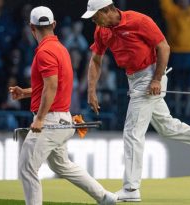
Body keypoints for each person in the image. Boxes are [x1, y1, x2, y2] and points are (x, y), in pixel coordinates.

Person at [81, 0, 190, 202]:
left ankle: (131, 189)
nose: (93, 20)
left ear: (107, 10)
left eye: (95, 15)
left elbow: (164, 47)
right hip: (134, 78)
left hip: (149, 75)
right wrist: (91, 90)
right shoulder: (101, 30)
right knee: (167, 127)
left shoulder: (138, 20)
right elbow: (95, 60)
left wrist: (156, 79)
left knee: (132, 131)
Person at [9, 6, 117, 205]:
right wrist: (25, 92)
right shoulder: (61, 49)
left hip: (50, 120)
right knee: (62, 165)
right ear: (54, 25)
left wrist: (39, 118)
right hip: (63, 118)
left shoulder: (44, 52)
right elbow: (52, 86)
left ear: (32, 27)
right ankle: (105, 197)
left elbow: (51, 86)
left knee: (27, 168)